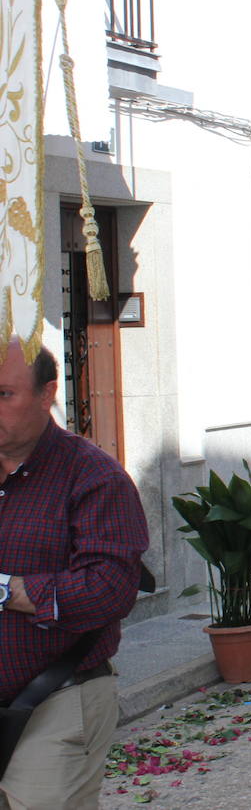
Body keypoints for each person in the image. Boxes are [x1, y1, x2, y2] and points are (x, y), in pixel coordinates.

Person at [0, 341, 149, 809]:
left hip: (55, 700)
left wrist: (4, 590)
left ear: (47, 394)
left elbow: (110, 589)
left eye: (3, 394)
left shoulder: (93, 476)